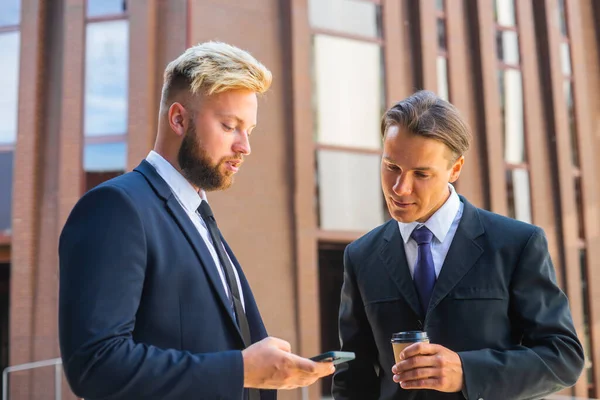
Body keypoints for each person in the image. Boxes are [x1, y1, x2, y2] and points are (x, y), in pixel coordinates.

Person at [58, 41, 334, 400]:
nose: (244, 146)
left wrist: (269, 373)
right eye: (229, 125)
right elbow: (95, 364)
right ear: (178, 119)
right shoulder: (115, 208)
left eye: (248, 130)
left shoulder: (200, 218)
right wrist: (241, 369)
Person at [332, 90, 584, 400]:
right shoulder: (360, 256)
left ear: (455, 168)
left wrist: (467, 371)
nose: (400, 188)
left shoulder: (516, 244)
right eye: (391, 167)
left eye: (421, 173)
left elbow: (563, 358)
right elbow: (353, 378)